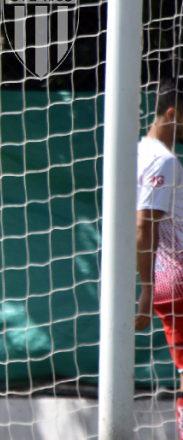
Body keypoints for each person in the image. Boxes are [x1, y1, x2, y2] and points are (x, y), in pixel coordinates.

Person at [135, 76, 183, 440]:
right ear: (173, 113)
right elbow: (143, 226)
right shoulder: (162, 161)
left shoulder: (137, 150)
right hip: (176, 278)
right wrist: (147, 289)